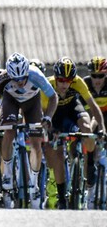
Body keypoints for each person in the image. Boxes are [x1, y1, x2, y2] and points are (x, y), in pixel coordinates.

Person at [0, 52, 58, 209]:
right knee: (9, 131)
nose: (19, 82)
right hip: (10, 100)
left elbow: (53, 97)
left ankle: (34, 183)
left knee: (36, 142)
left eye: (22, 78)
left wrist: (47, 117)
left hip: (32, 102)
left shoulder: (36, 75)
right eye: (16, 79)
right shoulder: (4, 77)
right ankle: (7, 173)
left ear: (27, 72)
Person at [42, 57, 104, 209]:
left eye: (68, 80)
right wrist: (50, 131)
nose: (64, 84)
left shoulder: (78, 82)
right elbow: (43, 114)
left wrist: (102, 128)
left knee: (86, 127)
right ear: (55, 78)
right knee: (57, 154)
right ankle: (62, 198)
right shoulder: (47, 85)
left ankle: (89, 162)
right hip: (53, 115)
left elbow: (93, 107)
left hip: (72, 109)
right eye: (61, 80)